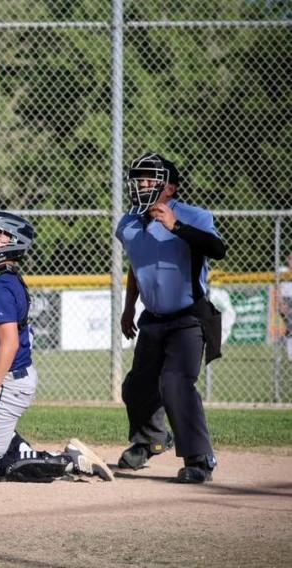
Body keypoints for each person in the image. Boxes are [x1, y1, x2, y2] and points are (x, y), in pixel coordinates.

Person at [0, 211, 114, 483]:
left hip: (8, 383)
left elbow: (9, 344)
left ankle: (70, 461)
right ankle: (14, 448)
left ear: (14, 242)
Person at [116, 153, 227, 484]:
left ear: (171, 188)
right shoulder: (129, 224)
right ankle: (151, 440)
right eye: (139, 179)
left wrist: (175, 226)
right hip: (152, 317)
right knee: (136, 388)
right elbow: (136, 268)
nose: (142, 185)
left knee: (176, 383)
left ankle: (200, 458)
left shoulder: (195, 216)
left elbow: (217, 249)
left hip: (189, 317)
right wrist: (128, 307)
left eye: (150, 179)